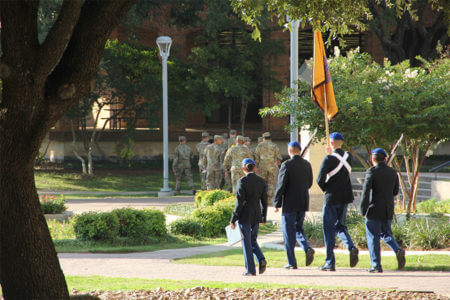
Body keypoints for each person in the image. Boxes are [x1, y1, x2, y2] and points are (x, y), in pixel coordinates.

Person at [316, 132, 359, 271]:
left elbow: (319, 180)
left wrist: (326, 190)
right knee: (340, 226)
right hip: (345, 197)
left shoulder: (328, 159)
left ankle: (330, 261)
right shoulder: (349, 157)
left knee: (328, 230)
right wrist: (331, 153)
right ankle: (351, 246)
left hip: (331, 197)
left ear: (331, 142)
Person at [360, 148, 406, 273]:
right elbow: (395, 191)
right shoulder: (392, 172)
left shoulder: (371, 172)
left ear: (373, 159)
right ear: (385, 159)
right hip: (388, 209)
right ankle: (397, 249)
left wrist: (363, 209)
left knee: (372, 237)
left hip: (374, 209)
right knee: (386, 233)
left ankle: (376, 265)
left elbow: (366, 192)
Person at [274, 141, 315, 269]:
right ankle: (306, 247)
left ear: (290, 151)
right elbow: (309, 183)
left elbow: (281, 185)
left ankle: (292, 262)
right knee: (298, 229)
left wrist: (277, 203)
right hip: (302, 201)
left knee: (288, 233)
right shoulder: (307, 164)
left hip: (290, 203)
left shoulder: (286, 165)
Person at [230, 158, 268, 276]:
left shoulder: (242, 181)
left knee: (246, 242)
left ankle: (250, 270)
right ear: (255, 168)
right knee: (252, 240)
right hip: (256, 214)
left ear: (243, 168)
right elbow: (265, 201)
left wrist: (233, 218)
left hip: (245, 215)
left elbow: (239, 202)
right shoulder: (261, 181)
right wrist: (263, 217)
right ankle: (261, 258)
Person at [254, 132, 282, 203]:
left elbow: (256, 158)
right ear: (270, 137)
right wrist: (277, 166)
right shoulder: (274, 145)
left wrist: (256, 168)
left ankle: (261, 199)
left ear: (263, 138)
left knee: (261, 183)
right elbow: (279, 158)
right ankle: (269, 200)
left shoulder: (259, 146)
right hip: (272, 167)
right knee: (271, 184)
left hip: (262, 167)